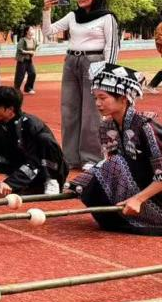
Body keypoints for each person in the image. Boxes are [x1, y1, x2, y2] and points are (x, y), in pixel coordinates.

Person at [68, 62, 162, 235]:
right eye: (95, 98)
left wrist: (137, 199)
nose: (97, 103)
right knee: (98, 175)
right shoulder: (106, 127)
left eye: (103, 98)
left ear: (124, 99)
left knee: (113, 165)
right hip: (136, 186)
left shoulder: (145, 126)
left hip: (153, 196)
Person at [42, 0, 120, 169]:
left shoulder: (107, 17)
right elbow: (48, 32)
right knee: (68, 110)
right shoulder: (72, 16)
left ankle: (91, 158)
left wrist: (107, 71)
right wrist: (46, 11)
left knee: (91, 112)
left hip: (95, 62)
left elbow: (112, 45)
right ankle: (70, 158)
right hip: (71, 62)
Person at [0, 86, 66, 195]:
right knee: (1, 141)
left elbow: (35, 161)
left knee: (45, 140)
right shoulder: (1, 126)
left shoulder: (30, 125)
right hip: (28, 169)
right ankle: (21, 183)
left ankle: (50, 180)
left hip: (40, 166)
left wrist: (12, 183)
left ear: (10, 109)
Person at [14, 25, 38, 94]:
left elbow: (36, 48)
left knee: (32, 73)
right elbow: (20, 49)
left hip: (29, 60)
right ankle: (16, 89)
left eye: (33, 29)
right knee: (20, 75)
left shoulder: (34, 40)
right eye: (31, 29)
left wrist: (34, 52)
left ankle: (28, 88)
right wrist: (29, 52)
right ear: (27, 31)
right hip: (22, 60)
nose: (32, 31)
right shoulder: (22, 40)